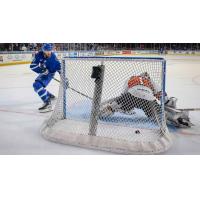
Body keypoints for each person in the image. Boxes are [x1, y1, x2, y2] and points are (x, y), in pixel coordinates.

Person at [99, 72, 192, 127]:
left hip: (132, 96)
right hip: (148, 100)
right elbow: (160, 93)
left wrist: (119, 104)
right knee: (156, 115)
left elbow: (123, 94)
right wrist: (167, 102)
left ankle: (104, 111)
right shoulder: (149, 81)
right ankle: (174, 118)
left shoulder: (131, 78)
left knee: (116, 105)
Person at [30, 43, 61, 112]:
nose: (49, 52)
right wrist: (42, 70)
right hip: (44, 72)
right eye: (47, 51)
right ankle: (49, 96)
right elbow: (32, 66)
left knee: (37, 85)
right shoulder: (39, 54)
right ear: (43, 50)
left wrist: (64, 78)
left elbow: (59, 67)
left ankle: (48, 103)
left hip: (50, 73)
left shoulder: (53, 57)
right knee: (37, 88)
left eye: (50, 51)